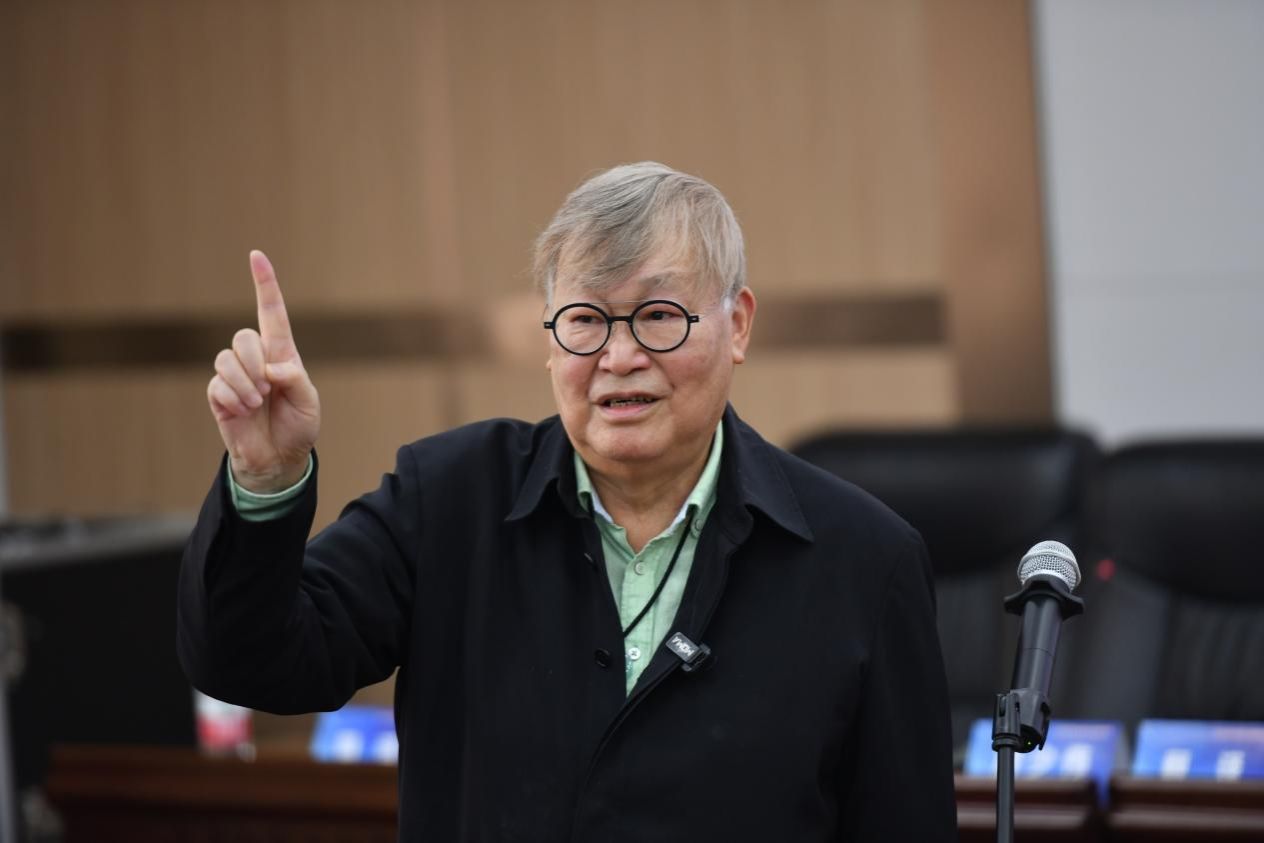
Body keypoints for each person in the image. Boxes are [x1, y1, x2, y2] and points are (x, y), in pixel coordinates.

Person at [179, 162, 958, 841]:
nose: (619, 356)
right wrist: (266, 482)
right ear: (551, 343)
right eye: (585, 320)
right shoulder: (448, 501)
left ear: (738, 325)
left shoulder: (865, 558)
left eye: (658, 316)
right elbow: (256, 663)